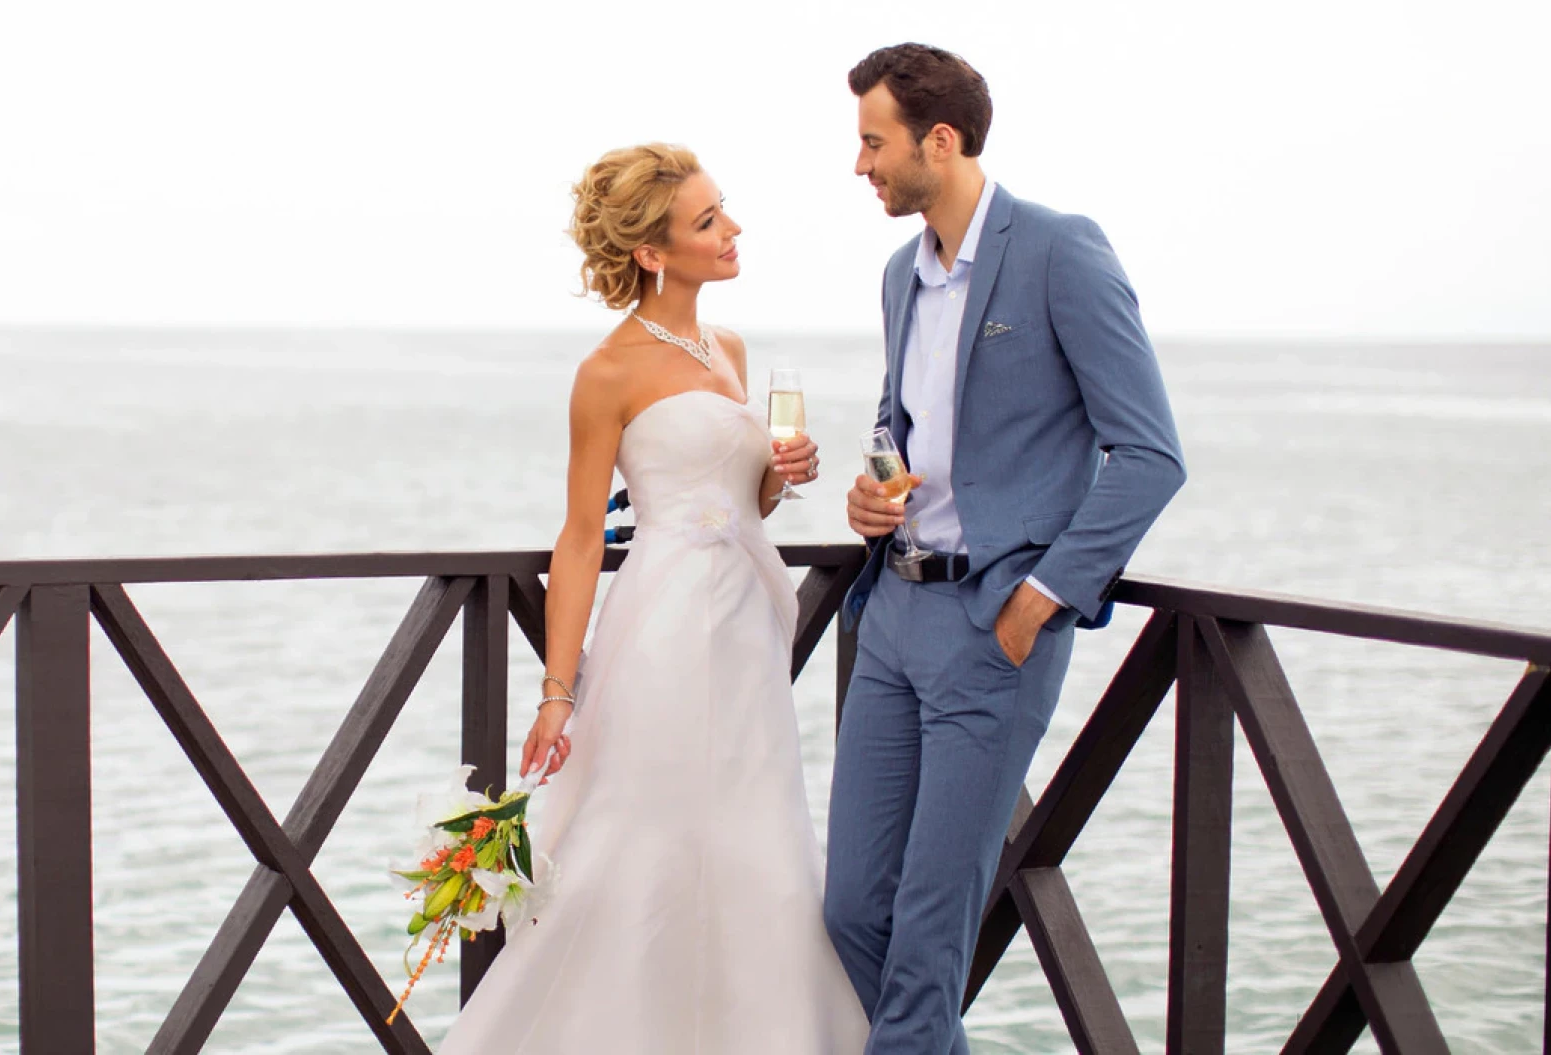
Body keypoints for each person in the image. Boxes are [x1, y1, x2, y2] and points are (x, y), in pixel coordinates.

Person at [436, 143, 870, 1053]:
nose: (733, 229)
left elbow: (743, 495)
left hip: (749, 624)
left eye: (725, 211)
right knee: (646, 839)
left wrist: (785, 474)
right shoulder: (608, 372)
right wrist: (559, 693)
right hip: (666, 625)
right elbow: (584, 536)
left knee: (757, 843)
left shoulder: (732, 347)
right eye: (709, 220)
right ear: (652, 252)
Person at [825, 44, 1187, 1053]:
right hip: (892, 613)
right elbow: (907, 427)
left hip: (993, 625)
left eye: (872, 142)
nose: (859, 165)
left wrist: (1042, 596)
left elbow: (1149, 454)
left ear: (938, 141)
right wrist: (871, 492)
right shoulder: (902, 274)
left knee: (930, 934)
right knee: (851, 907)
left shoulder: (1060, 251)